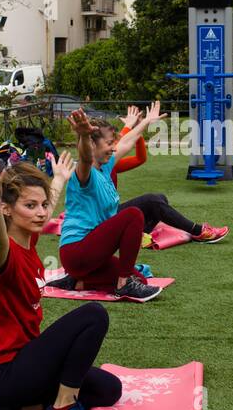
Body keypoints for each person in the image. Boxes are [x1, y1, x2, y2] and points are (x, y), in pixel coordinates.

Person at [0, 154, 125, 410]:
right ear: (7, 209)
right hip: (6, 373)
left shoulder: (28, 239)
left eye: (42, 205)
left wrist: (59, 180)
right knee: (93, 315)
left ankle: (12, 405)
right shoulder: (1, 254)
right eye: (29, 206)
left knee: (108, 389)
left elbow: (45, 205)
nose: (41, 212)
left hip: (29, 366)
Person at [51, 108, 161, 301]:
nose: (113, 147)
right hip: (77, 250)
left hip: (94, 251)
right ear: (93, 144)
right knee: (133, 215)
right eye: (109, 143)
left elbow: (127, 142)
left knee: (141, 280)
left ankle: (77, 281)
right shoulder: (84, 174)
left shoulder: (106, 166)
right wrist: (84, 136)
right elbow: (85, 157)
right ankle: (124, 284)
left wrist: (145, 122)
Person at [111, 103, 229, 244]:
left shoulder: (109, 164)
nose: (113, 143)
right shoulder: (94, 165)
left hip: (110, 215)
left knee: (160, 198)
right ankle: (198, 231)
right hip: (101, 223)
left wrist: (137, 129)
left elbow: (140, 159)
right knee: (152, 200)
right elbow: (121, 146)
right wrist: (130, 127)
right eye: (109, 141)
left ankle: (138, 233)